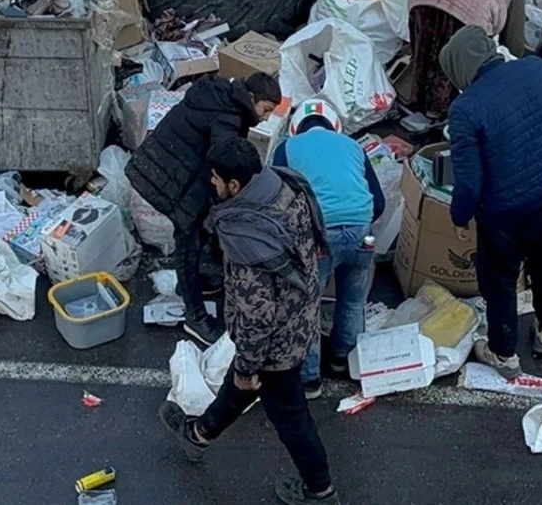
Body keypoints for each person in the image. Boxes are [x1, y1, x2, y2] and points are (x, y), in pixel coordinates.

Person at [159, 137, 340, 505]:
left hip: (276, 344)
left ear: (234, 185)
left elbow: (257, 315)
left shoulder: (245, 236)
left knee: (290, 420)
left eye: (215, 178)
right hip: (301, 315)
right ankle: (198, 435)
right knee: (239, 387)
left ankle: (320, 490)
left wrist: (248, 364)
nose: (211, 183)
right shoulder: (287, 186)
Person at [442, 25, 542, 380]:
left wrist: (460, 217)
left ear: (460, 68)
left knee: (500, 280)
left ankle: (504, 353)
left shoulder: (465, 109)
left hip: (506, 211)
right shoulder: (537, 68)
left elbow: (470, 181)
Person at [127, 73, 281, 345]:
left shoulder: (220, 92)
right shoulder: (228, 119)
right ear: (252, 99)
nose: (266, 118)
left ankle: (196, 281)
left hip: (165, 164)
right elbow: (226, 162)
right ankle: (195, 317)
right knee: (188, 242)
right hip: (176, 180)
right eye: (266, 110)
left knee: (198, 234)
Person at [271, 98, 385, 399]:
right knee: (353, 300)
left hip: (320, 236)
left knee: (307, 304)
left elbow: (277, 201)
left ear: (295, 127)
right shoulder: (352, 146)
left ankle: (310, 380)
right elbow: (380, 202)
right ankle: (340, 359)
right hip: (362, 233)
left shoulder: (287, 149)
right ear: (334, 123)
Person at [407, 0, 525, 117]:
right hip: (471, 4)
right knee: (454, 63)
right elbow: (513, 45)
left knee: (423, 52)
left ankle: (416, 99)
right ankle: (439, 111)